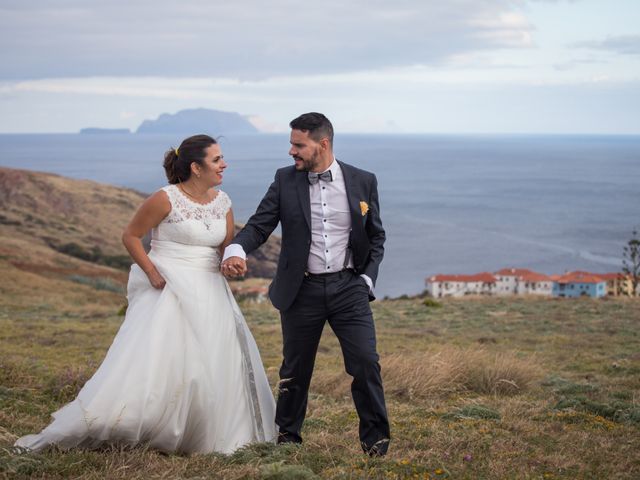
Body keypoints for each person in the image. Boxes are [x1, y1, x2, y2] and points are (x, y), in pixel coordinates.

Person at [15, 134, 276, 454]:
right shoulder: (165, 198)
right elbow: (131, 236)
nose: (225, 164)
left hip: (210, 291)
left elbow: (224, 250)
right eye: (217, 159)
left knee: (215, 360)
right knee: (165, 361)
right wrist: (152, 272)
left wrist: (232, 263)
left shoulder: (223, 202)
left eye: (222, 158)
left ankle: (208, 432)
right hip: (169, 288)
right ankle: (137, 421)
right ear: (196, 167)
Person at [221, 113, 390, 456]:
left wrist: (365, 280)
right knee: (295, 370)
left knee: (365, 363)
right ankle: (288, 438)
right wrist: (236, 247)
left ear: (322, 144)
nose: (291, 152)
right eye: (291, 144)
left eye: (298, 145)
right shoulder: (285, 180)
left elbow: (376, 236)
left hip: (348, 289)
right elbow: (260, 224)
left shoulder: (363, 180)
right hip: (302, 291)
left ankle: (376, 442)